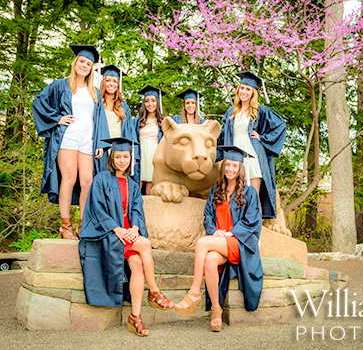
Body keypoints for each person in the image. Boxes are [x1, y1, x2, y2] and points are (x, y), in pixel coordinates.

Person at [78, 137, 174, 337]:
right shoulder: (101, 179)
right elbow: (96, 209)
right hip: (108, 235)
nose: (122, 160)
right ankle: (154, 291)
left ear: (132, 159)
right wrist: (116, 229)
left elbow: (138, 209)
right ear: (112, 158)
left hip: (129, 234)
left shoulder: (132, 183)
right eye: (118, 156)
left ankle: (135, 317)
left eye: (126, 157)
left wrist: (136, 227)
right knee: (145, 245)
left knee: (137, 264)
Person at [174, 146, 263, 332]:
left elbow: (253, 222)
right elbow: (208, 216)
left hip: (240, 243)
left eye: (235, 166)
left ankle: (194, 292)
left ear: (240, 169)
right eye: (228, 165)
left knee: (201, 242)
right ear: (223, 167)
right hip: (220, 243)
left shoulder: (249, 193)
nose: (230, 169)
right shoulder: (216, 190)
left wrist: (231, 233)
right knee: (210, 259)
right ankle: (216, 309)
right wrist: (214, 231)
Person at [32, 44, 110, 239]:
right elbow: (38, 101)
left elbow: (99, 119)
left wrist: (100, 142)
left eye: (88, 63)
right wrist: (56, 118)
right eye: (82, 61)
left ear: (92, 68)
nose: (84, 65)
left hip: (87, 140)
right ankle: (65, 226)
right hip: (67, 138)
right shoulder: (60, 85)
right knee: (68, 179)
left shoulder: (95, 92)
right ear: (75, 62)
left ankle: (83, 224)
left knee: (88, 181)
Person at [218, 71, 287, 220]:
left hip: (252, 156)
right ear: (238, 90)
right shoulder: (231, 111)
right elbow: (223, 134)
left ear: (253, 93)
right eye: (242, 88)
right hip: (235, 156)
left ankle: (257, 236)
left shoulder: (259, 111)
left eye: (248, 89)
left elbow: (280, 125)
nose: (244, 92)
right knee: (235, 195)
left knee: (253, 198)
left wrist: (262, 138)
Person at [100, 64, 139, 173]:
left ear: (118, 85)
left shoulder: (124, 107)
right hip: (100, 148)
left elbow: (130, 132)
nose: (111, 84)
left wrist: (133, 154)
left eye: (115, 81)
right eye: (108, 80)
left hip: (118, 150)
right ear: (103, 82)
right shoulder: (97, 104)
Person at [133, 85, 167, 194]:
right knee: (138, 181)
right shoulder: (138, 121)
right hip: (140, 154)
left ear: (158, 102)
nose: (150, 104)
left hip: (155, 154)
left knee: (151, 182)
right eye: (147, 101)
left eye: (153, 100)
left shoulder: (162, 121)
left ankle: (148, 209)